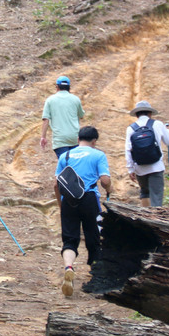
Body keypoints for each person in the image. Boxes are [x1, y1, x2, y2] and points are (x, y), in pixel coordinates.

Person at [54, 126, 111, 297]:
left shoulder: (66, 155)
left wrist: (61, 204)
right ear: (94, 141)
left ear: (78, 139)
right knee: (93, 236)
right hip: (89, 199)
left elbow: (57, 184)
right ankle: (96, 276)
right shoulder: (98, 154)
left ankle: (69, 267)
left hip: (69, 201)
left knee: (70, 239)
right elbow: (105, 180)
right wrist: (109, 190)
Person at [125, 100, 169, 208]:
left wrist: (130, 169)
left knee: (144, 192)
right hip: (156, 166)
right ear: (150, 113)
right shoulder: (158, 124)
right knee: (156, 196)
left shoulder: (131, 128)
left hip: (140, 168)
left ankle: (145, 219)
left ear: (137, 114)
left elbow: (128, 149)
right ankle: (155, 220)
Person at [40, 76, 85, 158]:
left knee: (65, 164)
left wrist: (43, 137)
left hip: (60, 139)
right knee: (74, 164)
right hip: (75, 138)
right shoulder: (76, 99)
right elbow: (81, 116)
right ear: (69, 88)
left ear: (57, 87)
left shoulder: (50, 100)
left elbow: (46, 120)